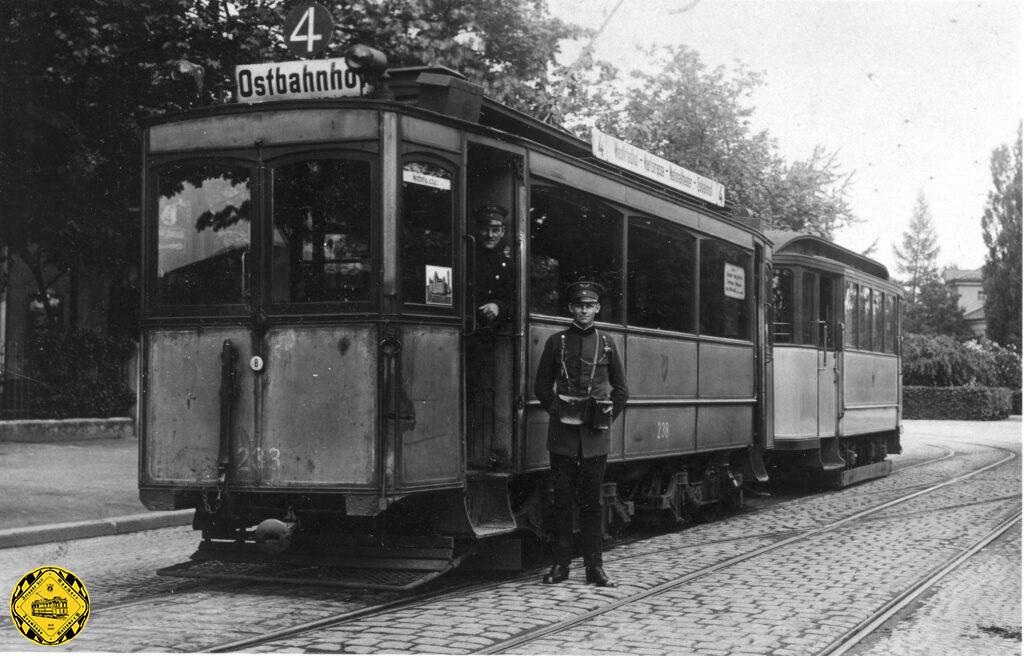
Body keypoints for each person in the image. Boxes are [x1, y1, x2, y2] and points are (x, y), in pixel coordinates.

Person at [534, 281, 628, 586]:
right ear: (571, 308)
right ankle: (560, 566)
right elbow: (541, 387)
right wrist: (559, 413)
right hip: (562, 438)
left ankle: (595, 569)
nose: (584, 311)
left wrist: (603, 418)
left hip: (594, 439)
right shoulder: (556, 341)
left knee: (592, 504)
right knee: (561, 504)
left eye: (590, 306)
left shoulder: (608, 343)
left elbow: (622, 391)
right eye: (579, 305)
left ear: (597, 308)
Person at [472, 203, 513, 330]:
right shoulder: (466, 257)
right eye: (485, 229)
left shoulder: (508, 265)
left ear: (502, 232)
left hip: (493, 334)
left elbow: (514, 300)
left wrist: (498, 306)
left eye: (495, 230)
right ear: (478, 230)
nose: (490, 235)